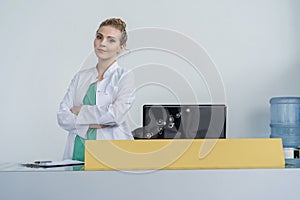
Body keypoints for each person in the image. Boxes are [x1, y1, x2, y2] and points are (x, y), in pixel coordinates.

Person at [57, 18, 135, 161]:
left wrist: (80, 111)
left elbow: (115, 115)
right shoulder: (81, 77)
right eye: (99, 37)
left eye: (111, 40)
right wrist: (97, 123)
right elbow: (62, 117)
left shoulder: (124, 77)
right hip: (77, 150)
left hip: (113, 153)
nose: (102, 43)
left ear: (121, 47)